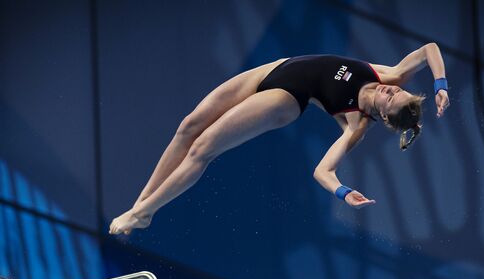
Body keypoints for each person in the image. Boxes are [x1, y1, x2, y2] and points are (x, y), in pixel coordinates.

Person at [109, 42, 449, 235]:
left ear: (385, 116)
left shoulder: (357, 124)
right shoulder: (388, 74)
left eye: (393, 98)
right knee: (188, 126)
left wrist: (344, 194)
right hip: (274, 68)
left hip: (285, 98)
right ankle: (142, 207)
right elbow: (430, 49)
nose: (392, 89)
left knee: (203, 147)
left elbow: (323, 171)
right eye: (399, 91)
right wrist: (440, 84)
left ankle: (145, 211)